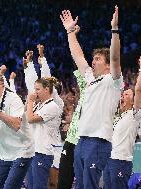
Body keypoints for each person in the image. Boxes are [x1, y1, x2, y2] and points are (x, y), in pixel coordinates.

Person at [60, 6, 123, 188]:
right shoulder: (90, 79)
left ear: (107, 65)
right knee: (80, 185)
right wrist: (70, 32)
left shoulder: (113, 80)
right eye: (93, 58)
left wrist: (114, 30)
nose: (93, 61)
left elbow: (116, 58)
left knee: (89, 185)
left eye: (98, 59)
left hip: (98, 141)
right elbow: (78, 55)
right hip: (81, 139)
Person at [103, 55, 141, 189]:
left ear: (134, 99)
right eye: (123, 94)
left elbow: (139, 90)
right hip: (109, 160)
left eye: (127, 94)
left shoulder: (134, 114)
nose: (123, 96)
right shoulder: (117, 116)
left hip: (121, 161)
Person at [57, 25, 87, 189]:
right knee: (63, 182)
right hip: (70, 141)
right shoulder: (85, 88)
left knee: (84, 183)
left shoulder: (104, 91)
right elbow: (79, 60)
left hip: (86, 143)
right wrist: (72, 37)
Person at [26, 77, 63, 189]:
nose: (35, 92)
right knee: (31, 186)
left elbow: (30, 119)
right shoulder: (39, 105)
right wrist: (30, 103)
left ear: (46, 89)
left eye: (37, 89)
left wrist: (31, 101)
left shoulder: (52, 106)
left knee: (39, 186)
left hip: (43, 152)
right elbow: (25, 117)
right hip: (33, 150)